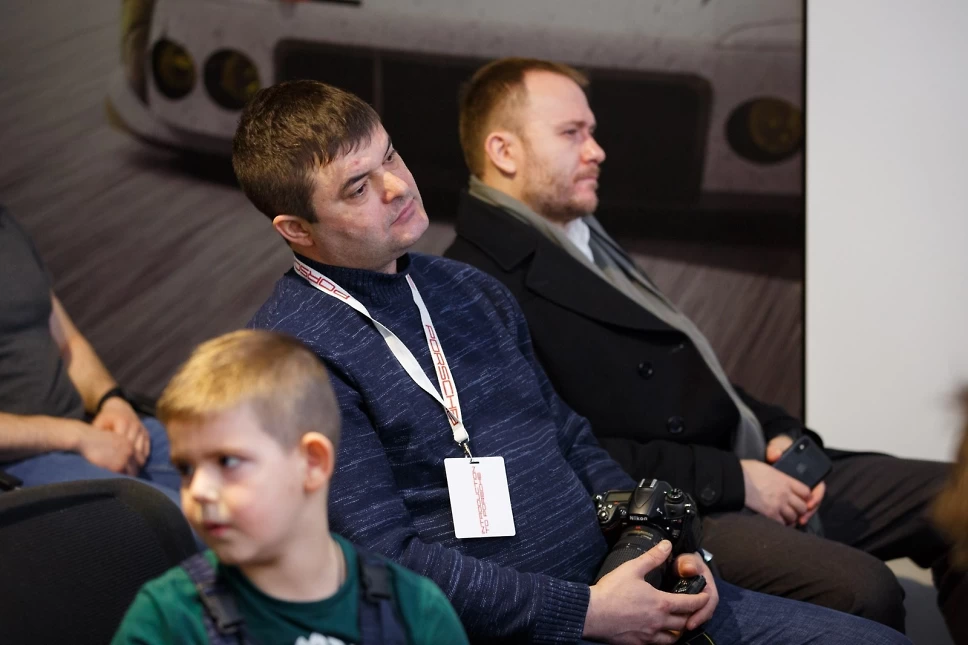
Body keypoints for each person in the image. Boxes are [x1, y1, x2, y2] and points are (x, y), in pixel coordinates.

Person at [239, 79, 910, 645]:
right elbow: (386, 566)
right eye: (358, 187)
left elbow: (571, 438)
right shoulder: (291, 359)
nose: (396, 186)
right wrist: (588, 612)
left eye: (391, 155)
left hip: (623, 587)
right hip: (534, 627)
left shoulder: (467, 290)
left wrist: (665, 547)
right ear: (297, 230)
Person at [443, 56, 963, 638]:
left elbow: (688, 373)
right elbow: (566, 452)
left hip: (740, 458)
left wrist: (778, 430)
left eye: (592, 131)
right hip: (678, 502)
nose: (597, 151)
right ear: (504, 151)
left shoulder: (580, 235)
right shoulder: (474, 286)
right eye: (572, 133)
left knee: (961, 498)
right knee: (865, 589)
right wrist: (736, 479)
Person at [112, 329, 468, 644]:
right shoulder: (166, 621)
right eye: (186, 469)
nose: (199, 490)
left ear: (312, 463)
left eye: (227, 462)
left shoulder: (416, 612)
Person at [0, 204, 180, 503]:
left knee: (253, 463)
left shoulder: (6, 223)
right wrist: (76, 437)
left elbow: (67, 342)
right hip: (19, 462)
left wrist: (111, 401)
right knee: (186, 521)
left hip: (84, 430)